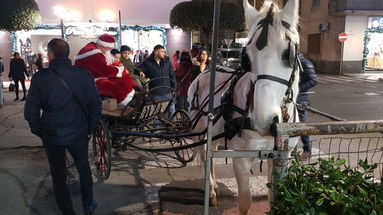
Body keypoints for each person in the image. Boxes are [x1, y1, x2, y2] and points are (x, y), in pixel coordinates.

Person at [24, 38, 101, 215]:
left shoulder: (40, 77)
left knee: (58, 174)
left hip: (52, 132)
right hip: (78, 130)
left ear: (50, 54)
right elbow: (95, 105)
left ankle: (68, 211)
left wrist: (39, 130)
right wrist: (89, 127)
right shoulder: (84, 74)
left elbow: (31, 110)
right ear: (67, 54)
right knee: (83, 167)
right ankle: (88, 203)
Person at [74, 34, 136, 106]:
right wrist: (118, 70)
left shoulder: (95, 50)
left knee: (125, 77)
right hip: (89, 80)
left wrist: (119, 69)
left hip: (96, 76)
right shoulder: (94, 52)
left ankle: (129, 97)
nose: (108, 51)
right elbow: (105, 70)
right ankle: (125, 102)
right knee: (111, 86)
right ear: (103, 46)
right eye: (109, 49)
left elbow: (103, 67)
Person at [139, 44, 176, 118]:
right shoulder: (147, 62)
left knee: (172, 112)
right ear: (156, 52)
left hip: (168, 91)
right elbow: (140, 70)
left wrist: (174, 88)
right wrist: (140, 72)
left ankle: (172, 128)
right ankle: (157, 129)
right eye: (162, 52)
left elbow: (172, 75)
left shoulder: (167, 61)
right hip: (155, 93)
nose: (164, 53)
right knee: (155, 115)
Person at [297, 54, 318, 161]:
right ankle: (293, 149)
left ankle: (307, 150)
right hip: (289, 99)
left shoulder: (304, 63)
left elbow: (313, 80)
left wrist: (297, 89)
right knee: (288, 125)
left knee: (302, 126)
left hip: (300, 100)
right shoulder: (289, 62)